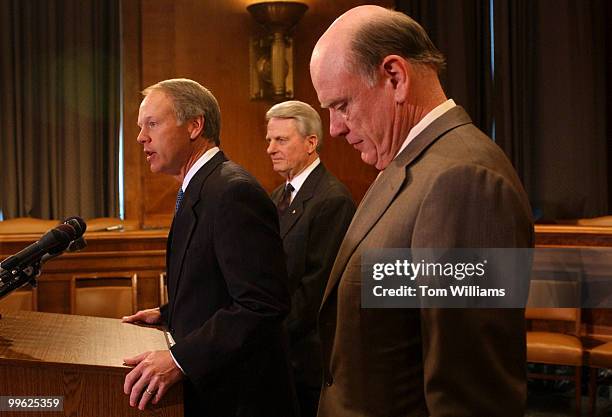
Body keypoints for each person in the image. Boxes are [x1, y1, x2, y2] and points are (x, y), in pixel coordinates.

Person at [309, 6, 534, 417]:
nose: (335, 129)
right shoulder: (410, 165)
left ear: (395, 76)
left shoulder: (465, 179)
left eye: (340, 105)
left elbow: (474, 397)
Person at [122, 78, 297, 417]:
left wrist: (178, 359)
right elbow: (218, 284)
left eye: (152, 124)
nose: (141, 137)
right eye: (140, 127)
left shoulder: (232, 192)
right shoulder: (201, 187)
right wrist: (167, 313)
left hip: (242, 401)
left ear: (194, 125)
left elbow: (262, 304)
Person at [265, 100, 355, 417]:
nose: (271, 149)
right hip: (280, 354)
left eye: (281, 140)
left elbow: (315, 291)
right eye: (269, 140)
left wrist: (263, 338)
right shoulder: (276, 197)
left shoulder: (333, 199)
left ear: (311, 142)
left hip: (306, 360)